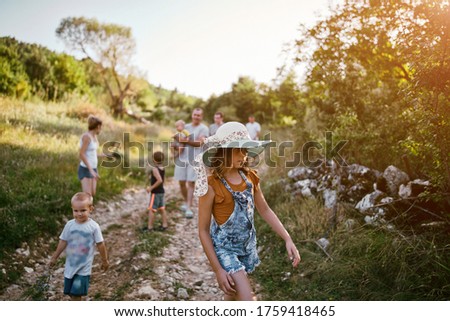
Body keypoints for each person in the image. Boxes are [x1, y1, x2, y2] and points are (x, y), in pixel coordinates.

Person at [195, 122, 301, 301]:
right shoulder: (212, 184)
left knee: (233, 294)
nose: (243, 155)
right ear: (224, 151)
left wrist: (287, 238)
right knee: (246, 299)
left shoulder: (250, 177)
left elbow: (265, 210)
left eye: (246, 150)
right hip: (224, 249)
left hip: (246, 247)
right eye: (238, 150)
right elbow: (203, 230)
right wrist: (218, 270)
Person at [49, 192, 109, 301]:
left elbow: (100, 244)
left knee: (77, 294)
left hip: (83, 268)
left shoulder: (93, 227)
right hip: (70, 266)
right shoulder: (69, 225)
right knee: (70, 293)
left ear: (91, 209)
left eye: (83, 210)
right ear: (72, 209)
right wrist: (54, 257)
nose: (79, 214)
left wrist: (104, 260)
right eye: (75, 211)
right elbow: (63, 241)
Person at [173, 108, 209, 218]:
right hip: (182, 158)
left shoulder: (204, 128)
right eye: (195, 114)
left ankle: (188, 207)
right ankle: (186, 201)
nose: (196, 117)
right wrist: (176, 145)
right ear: (192, 115)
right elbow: (176, 140)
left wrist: (184, 140)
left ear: (201, 117)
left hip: (194, 159)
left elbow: (199, 143)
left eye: (199, 115)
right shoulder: (185, 127)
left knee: (191, 183)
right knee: (181, 182)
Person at [78, 115, 103, 198]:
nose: (101, 129)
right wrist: (91, 170)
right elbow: (81, 154)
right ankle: (81, 209)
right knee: (88, 196)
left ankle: (86, 209)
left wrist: (104, 155)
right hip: (85, 169)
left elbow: (91, 153)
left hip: (93, 168)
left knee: (92, 193)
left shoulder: (94, 137)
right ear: (98, 127)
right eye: (101, 127)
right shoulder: (86, 137)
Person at [144, 151, 168, 232]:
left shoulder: (155, 169)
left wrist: (151, 188)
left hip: (156, 192)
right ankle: (165, 225)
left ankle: (150, 227)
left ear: (154, 160)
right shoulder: (162, 168)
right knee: (162, 208)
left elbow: (160, 180)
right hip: (161, 192)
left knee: (152, 210)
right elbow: (163, 179)